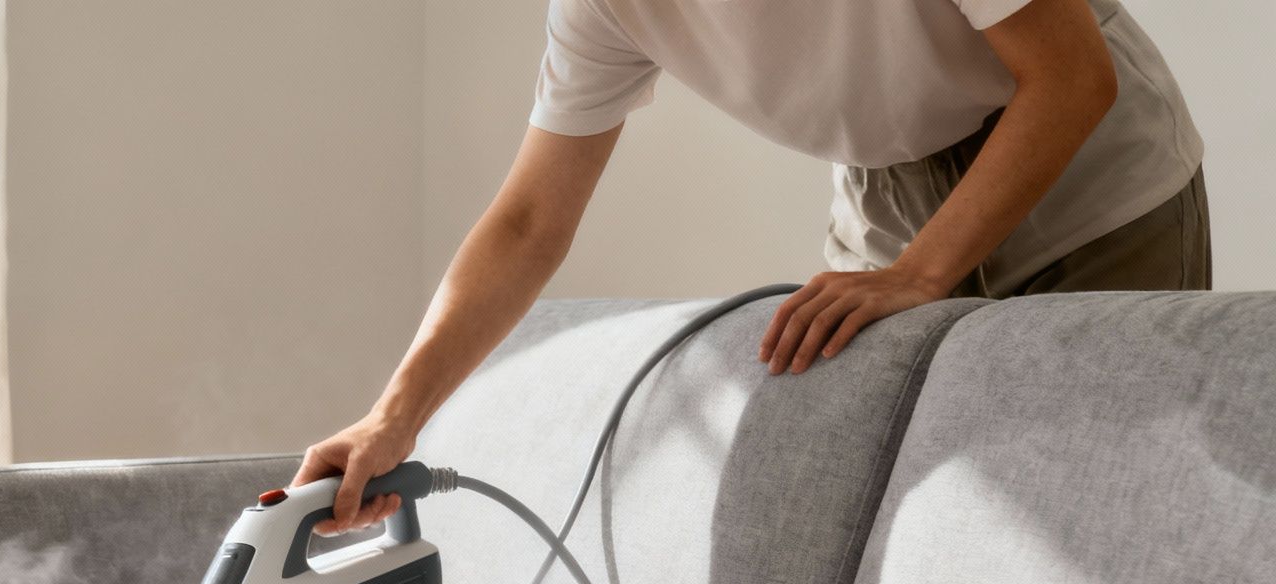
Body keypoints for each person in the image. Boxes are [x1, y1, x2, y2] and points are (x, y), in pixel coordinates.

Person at [298, 0, 1206, 534]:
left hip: (1084, 170)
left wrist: (922, 276)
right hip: (887, 191)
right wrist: (394, 417)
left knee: (1113, 507)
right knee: (911, 510)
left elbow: (1075, 79)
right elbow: (531, 220)